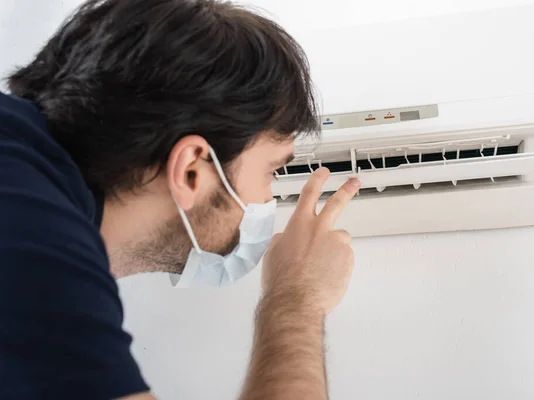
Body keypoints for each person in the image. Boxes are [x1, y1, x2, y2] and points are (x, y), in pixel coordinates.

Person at [0, 0, 360, 399]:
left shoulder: (25, 186)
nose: (268, 196)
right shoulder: (33, 250)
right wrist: (296, 300)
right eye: (271, 171)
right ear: (191, 170)